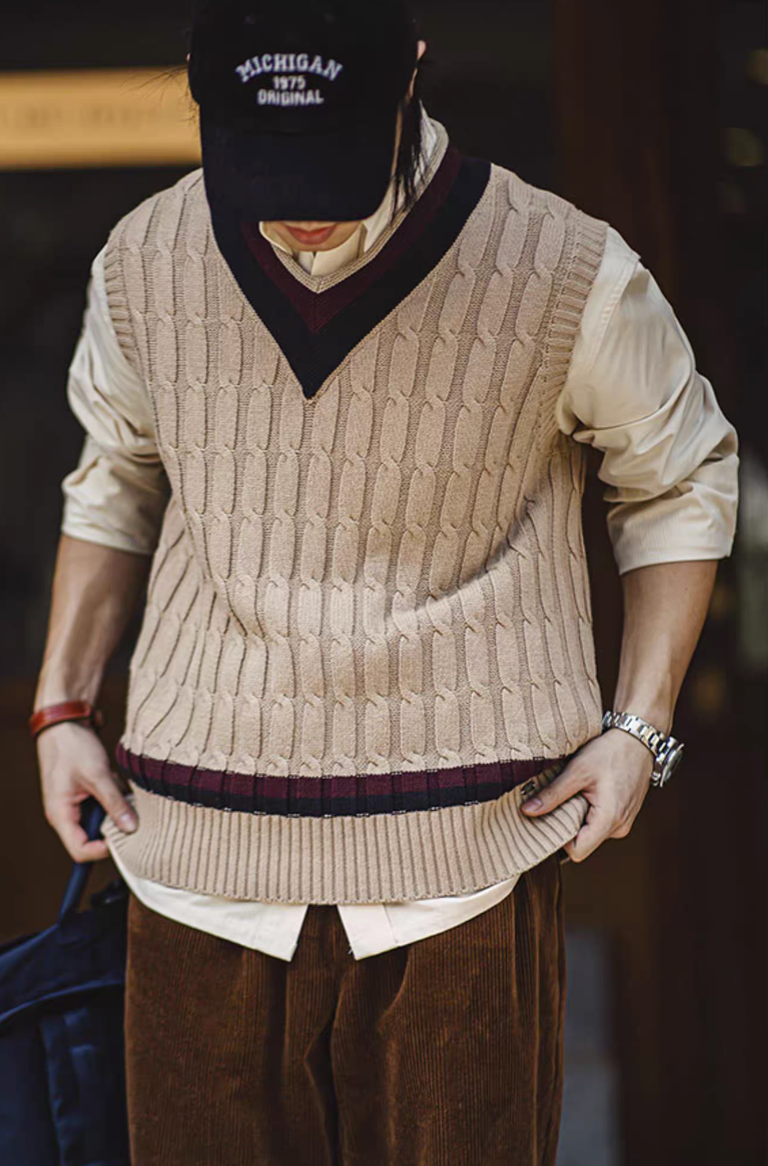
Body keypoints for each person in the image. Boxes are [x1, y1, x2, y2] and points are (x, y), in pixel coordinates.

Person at [31, 1, 739, 1163]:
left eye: (333, 161)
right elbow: (115, 473)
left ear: (410, 69)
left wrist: (638, 726)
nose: (301, 211)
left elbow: (681, 473)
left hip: (464, 865)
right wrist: (63, 706)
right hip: (192, 862)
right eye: (262, 164)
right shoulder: (145, 257)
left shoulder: (562, 265)